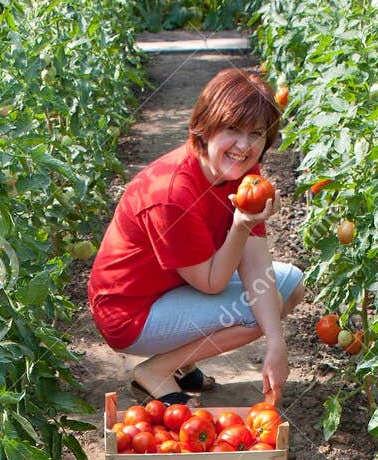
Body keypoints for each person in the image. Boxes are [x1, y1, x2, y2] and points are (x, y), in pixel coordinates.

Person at [87, 67, 303, 405]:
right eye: (233, 129)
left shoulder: (244, 171)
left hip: (172, 290)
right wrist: (241, 225)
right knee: (260, 308)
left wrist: (277, 345)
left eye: (256, 133)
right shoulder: (172, 193)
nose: (244, 146)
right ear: (204, 128)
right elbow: (212, 282)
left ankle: (182, 363)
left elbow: (257, 266)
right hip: (131, 314)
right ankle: (154, 372)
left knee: (289, 284)